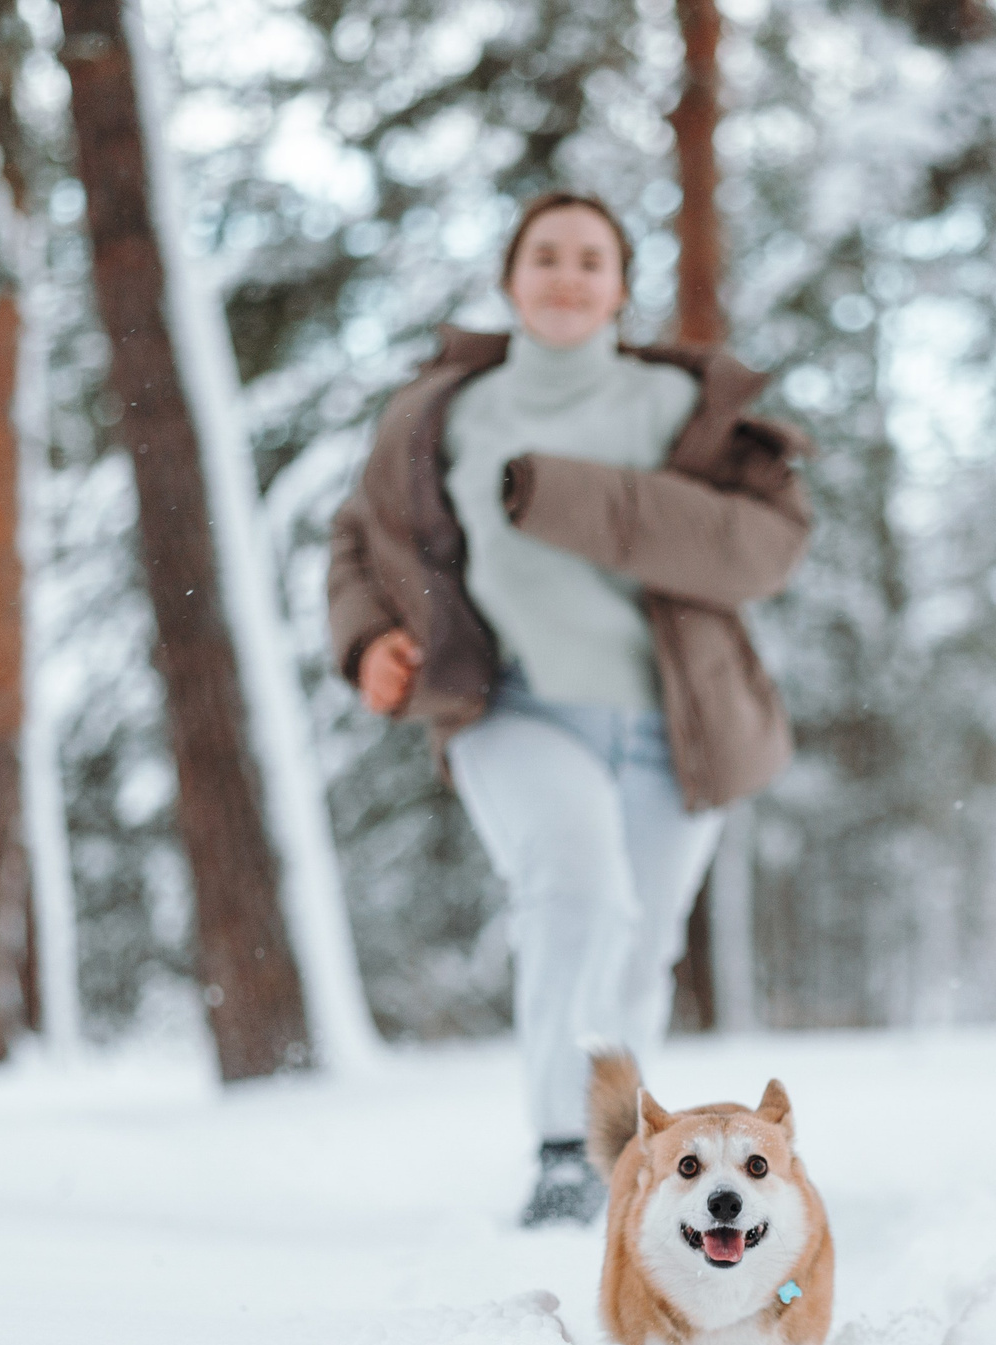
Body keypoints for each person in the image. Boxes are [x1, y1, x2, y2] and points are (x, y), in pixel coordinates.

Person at [326, 191, 810, 1226]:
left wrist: (559, 493)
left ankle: (618, 1152)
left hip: (674, 727)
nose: (566, 275)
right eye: (544, 255)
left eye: (591, 259)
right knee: (577, 891)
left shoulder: (677, 407)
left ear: (620, 287)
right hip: (512, 708)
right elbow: (361, 539)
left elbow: (763, 547)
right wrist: (367, 638)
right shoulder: (445, 412)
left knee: (637, 946)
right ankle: (560, 1151)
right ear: (509, 279)